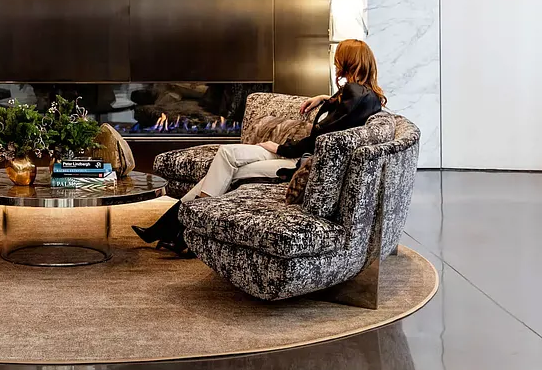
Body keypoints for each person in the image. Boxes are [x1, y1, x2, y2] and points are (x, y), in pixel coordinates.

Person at [132, 38, 387, 255]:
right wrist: (324, 99)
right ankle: (176, 231)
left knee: (226, 168)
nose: (334, 62)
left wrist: (281, 148)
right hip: (291, 154)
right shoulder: (363, 95)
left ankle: (179, 231)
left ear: (348, 61)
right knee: (225, 158)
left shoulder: (354, 94)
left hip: (295, 160)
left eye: (338, 58)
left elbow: (322, 137)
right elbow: (339, 120)